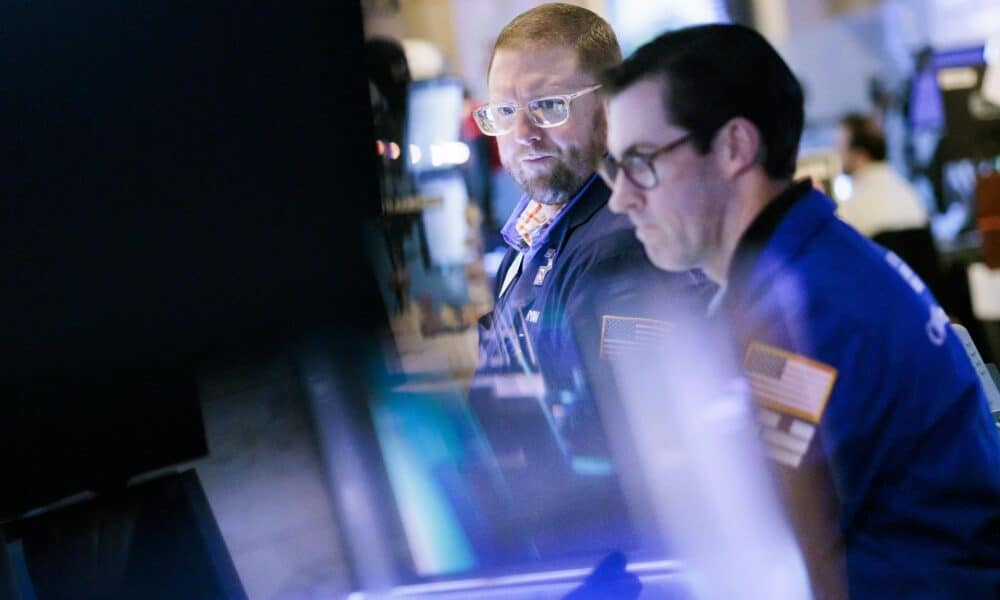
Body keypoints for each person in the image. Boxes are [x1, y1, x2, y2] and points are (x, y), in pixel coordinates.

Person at [600, 23, 1000, 597]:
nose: (622, 196)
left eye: (641, 160)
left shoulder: (802, 308)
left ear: (735, 147)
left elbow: (774, 536)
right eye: (616, 168)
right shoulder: (810, 265)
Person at [468, 3, 712, 563]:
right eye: (503, 110)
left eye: (548, 106)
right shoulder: (533, 235)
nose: (522, 132)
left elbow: (635, 451)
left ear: (611, 103)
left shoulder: (620, 247)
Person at [834, 112, 929, 237]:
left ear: (860, 155)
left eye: (839, 147)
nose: (835, 154)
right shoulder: (909, 194)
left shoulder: (851, 209)